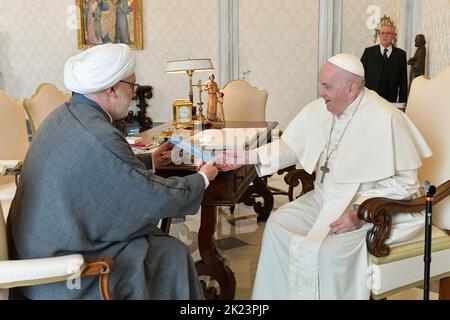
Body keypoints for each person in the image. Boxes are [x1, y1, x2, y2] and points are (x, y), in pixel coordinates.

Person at [7, 43, 220, 300]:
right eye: (132, 86)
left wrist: (149, 160)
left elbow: (103, 171)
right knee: (171, 254)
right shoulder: (99, 134)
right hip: (58, 271)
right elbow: (150, 195)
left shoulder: (65, 114)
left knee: (158, 244)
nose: (133, 94)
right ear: (111, 89)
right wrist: (202, 178)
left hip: (39, 245)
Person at [219, 54, 432, 299]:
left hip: (368, 207)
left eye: (327, 86)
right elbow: (291, 145)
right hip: (324, 197)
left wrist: (360, 212)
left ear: (351, 88)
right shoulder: (322, 108)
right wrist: (247, 157)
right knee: (277, 226)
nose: (321, 93)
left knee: (330, 253)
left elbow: (406, 184)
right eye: (321, 85)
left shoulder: (386, 117)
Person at [361, 23, 408, 103]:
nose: (385, 36)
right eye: (382, 33)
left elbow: (403, 82)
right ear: (379, 35)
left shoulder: (401, 55)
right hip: (369, 99)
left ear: (393, 36)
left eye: (388, 33)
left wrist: (402, 103)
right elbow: (360, 76)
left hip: (390, 101)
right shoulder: (368, 52)